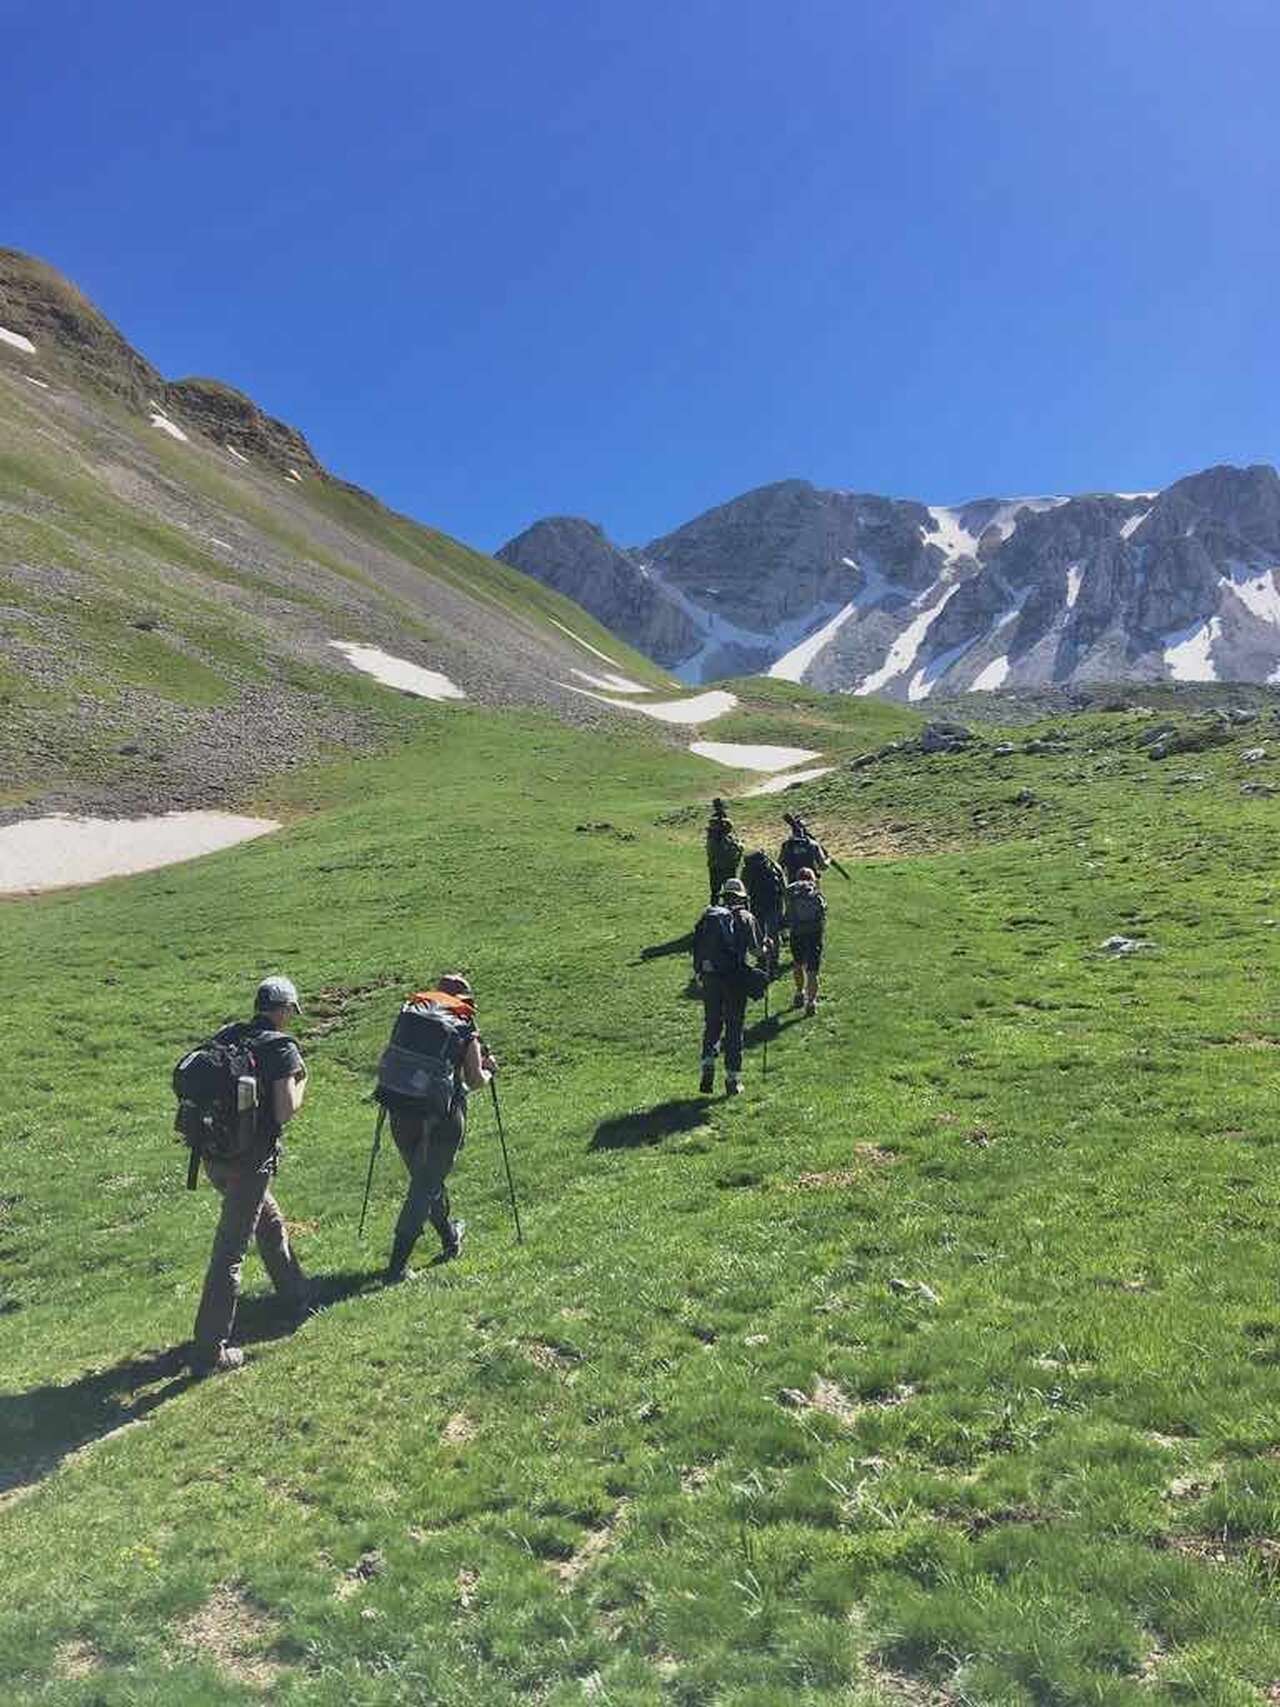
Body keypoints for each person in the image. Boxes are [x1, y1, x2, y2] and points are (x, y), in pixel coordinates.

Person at [189, 974, 311, 1376]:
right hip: (249, 1163)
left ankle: (296, 1297)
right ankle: (210, 1352)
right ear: (284, 1010)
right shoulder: (281, 1047)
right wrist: (302, 1080)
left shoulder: (229, 1035)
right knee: (231, 1251)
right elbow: (284, 1111)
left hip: (212, 1156)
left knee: (270, 1221)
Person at [385, 973, 496, 1280]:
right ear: (465, 1000)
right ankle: (397, 1267)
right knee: (425, 1186)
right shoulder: (464, 1023)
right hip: (442, 1117)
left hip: (400, 1109)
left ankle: (449, 1238)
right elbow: (473, 1079)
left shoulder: (411, 1014)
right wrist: (489, 1072)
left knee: (425, 1182)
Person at [693, 877, 761, 1096]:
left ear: (724, 896)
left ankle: (707, 1065)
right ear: (742, 897)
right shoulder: (746, 918)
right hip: (734, 980)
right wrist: (767, 949)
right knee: (733, 1029)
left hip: (711, 978)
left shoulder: (710, 916)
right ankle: (732, 1080)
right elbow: (756, 952)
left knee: (712, 1024)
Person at [785, 867, 828, 1016]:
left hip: (797, 933)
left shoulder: (791, 892)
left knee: (798, 964)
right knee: (812, 970)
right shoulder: (815, 892)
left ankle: (799, 993)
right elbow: (823, 912)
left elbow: (788, 913)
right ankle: (811, 1002)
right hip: (814, 934)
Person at [742, 849, 787, 977]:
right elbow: (783, 886)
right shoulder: (774, 866)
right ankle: (773, 961)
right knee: (774, 933)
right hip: (774, 903)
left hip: (757, 903)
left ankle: (762, 959)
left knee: (758, 932)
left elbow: (744, 888)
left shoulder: (749, 869)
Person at [706, 804, 744, 904]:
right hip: (727, 868)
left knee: (715, 892)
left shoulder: (711, 839)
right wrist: (740, 846)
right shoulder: (727, 840)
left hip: (714, 867)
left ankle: (714, 908)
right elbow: (735, 852)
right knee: (730, 891)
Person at [780, 814, 831, 885]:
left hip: (793, 886)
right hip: (812, 886)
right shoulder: (813, 845)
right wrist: (828, 859)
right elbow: (823, 866)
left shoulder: (787, 846)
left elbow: (780, 866)